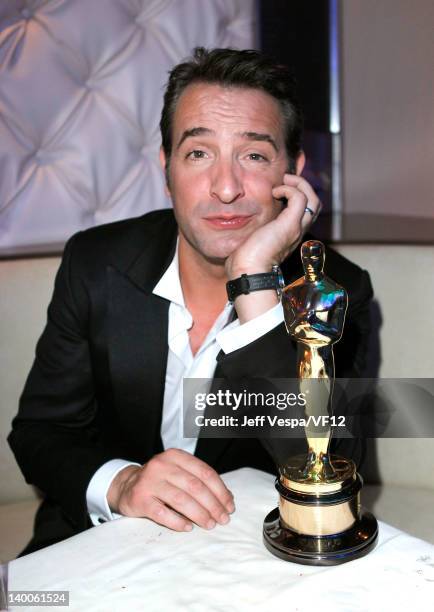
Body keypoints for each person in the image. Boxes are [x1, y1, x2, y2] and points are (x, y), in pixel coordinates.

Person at [8, 47, 373, 554]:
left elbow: (328, 467)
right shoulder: (96, 263)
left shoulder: (337, 290)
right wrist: (121, 485)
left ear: (293, 171)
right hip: (97, 546)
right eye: (199, 153)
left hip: (248, 556)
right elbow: (40, 433)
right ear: (166, 167)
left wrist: (254, 281)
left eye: (254, 156)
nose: (225, 188)